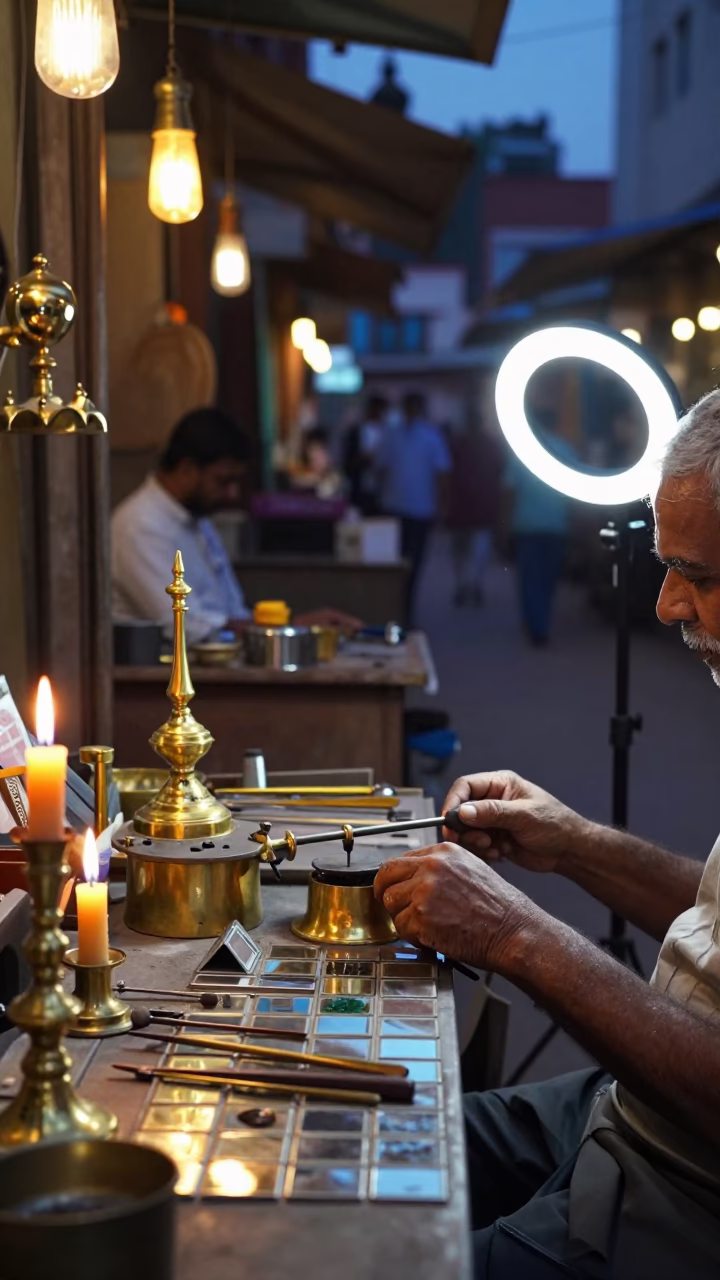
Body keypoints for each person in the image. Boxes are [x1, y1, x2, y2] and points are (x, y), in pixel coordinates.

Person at [374, 388, 720, 1278]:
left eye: (702, 577)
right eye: (665, 566)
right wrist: (571, 844)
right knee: (360, 1135)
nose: (668, 606)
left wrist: (515, 934)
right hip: (625, 1107)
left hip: (689, 1184)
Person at [112, 408, 360, 645]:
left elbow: (233, 611)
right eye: (223, 480)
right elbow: (187, 627)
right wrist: (292, 628)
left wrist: (291, 629)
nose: (232, 493)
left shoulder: (196, 520)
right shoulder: (139, 527)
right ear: (186, 468)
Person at [503, 404, 576, 646]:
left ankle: (536, 624)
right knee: (548, 579)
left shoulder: (523, 452)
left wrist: (503, 525)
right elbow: (575, 494)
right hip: (556, 526)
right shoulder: (566, 450)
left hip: (527, 525)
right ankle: (540, 622)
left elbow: (510, 492)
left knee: (529, 580)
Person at [376, 391, 451, 622]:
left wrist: (441, 506)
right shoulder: (392, 435)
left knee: (414, 564)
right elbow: (381, 467)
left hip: (420, 509)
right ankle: (396, 610)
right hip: (394, 507)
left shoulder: (431, 436)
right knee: (395, 564)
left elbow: (442, 474)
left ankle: (407, 611)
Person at [445, 421, 503, 607]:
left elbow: (447, 472)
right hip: (482, 503)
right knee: (479, 547)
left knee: (462, 550)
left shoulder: (458, 444)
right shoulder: (490, 445)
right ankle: (474, 584)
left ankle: (464, 585)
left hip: (462, 503)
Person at [342, 394, 388, 514]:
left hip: (383, 488)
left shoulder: (389, 433)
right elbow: (347, 460)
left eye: (381, 410)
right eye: (375, 409)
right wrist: (361, 460)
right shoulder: (356, 431)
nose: (378, 413)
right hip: (360, 486)